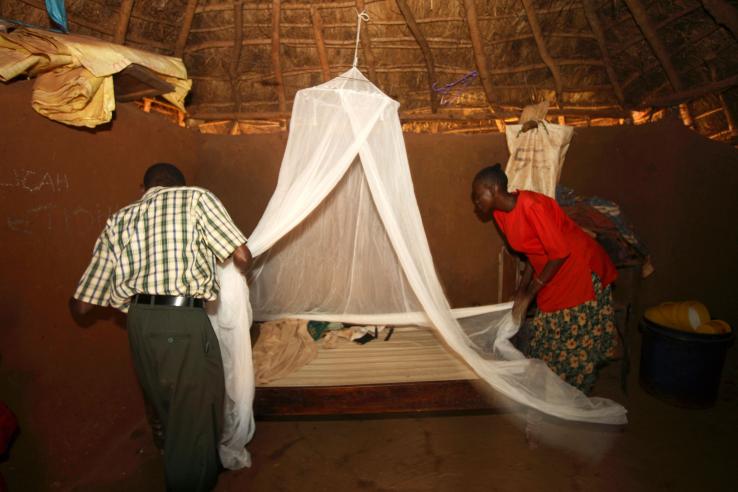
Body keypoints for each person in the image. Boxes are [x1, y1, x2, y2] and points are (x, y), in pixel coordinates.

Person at [69, 163, 252, 491]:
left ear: (144, 188)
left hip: (139, 323)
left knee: (174, 405)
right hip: (180, 321)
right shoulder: (196, 198)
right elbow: (241, 254)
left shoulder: (120, 218)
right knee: (193, 417)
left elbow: (82, 305)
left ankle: (196, 467)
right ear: (179, 184)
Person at [471, 163, 618, 394]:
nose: (476, 203)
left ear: (495, 188)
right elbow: (531, 250)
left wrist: (530, 293)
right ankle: (551, 396)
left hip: (576, 270)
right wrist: (521, 289)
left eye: (478, 196)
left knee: (573, 342)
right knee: (544, 338)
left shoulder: (532, 206)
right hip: (552, 273)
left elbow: (559, 252)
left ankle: (571, 401)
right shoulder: (500, 215)